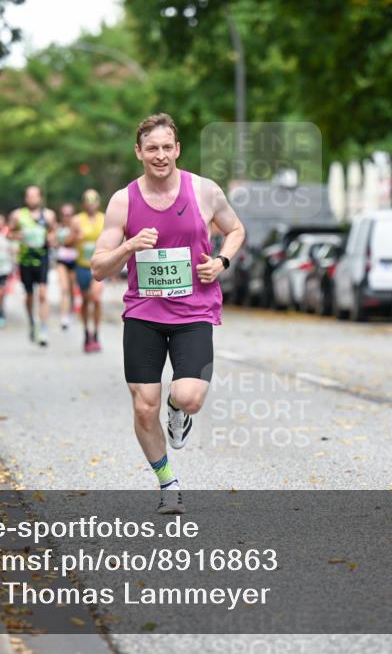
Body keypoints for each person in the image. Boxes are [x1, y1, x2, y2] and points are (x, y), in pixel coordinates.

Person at [91, 113, 245, 514]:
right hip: (144, 311)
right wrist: (129, 247)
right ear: (139, 152)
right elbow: (97, 267)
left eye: (167, 147)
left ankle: (179, 413)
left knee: (188, 397)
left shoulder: (205, 191)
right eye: (152, 148)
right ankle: (168, 482)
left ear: (177, 149)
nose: (160, 155)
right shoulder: (123, 201)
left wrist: (223, 262)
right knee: (144, 407)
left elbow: (236, 230)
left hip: (194, 309)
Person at [9, 186, 56, 347]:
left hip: (42, 258)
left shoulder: (48, 215)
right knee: (29, 295)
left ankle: (43, 330)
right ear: (25, 198)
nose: (32, 199)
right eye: (29, 196)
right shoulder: (17, 215)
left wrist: (51, 238)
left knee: (43, 294)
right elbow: (8, 233)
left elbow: (53, 232)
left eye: (35, 196)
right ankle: (31, 321)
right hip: (25, 260)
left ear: (40, 198)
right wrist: (17, 235)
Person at [69, 189, 106, 352]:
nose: (91, 204)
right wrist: (76, 237)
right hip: (82, 266)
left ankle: (97, 334)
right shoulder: (77, 220)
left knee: (96, 298)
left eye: (94, 200)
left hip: (99, 265)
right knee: (85, 300)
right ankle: (86, 333)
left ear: (98, 202)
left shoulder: (104, 218)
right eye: (88, 201)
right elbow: (67, 242)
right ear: (83, 203)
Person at [54, 203, 79, 331]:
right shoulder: (58, 228)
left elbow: (78, 240)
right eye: (64, 215)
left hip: (75, 260)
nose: (67, 217)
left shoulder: (77, 228)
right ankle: (64, 317)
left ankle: (71, 309)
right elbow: (53, 241)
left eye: (69, 214)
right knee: (64, 288)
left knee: (72, 288)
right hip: (62, 261)